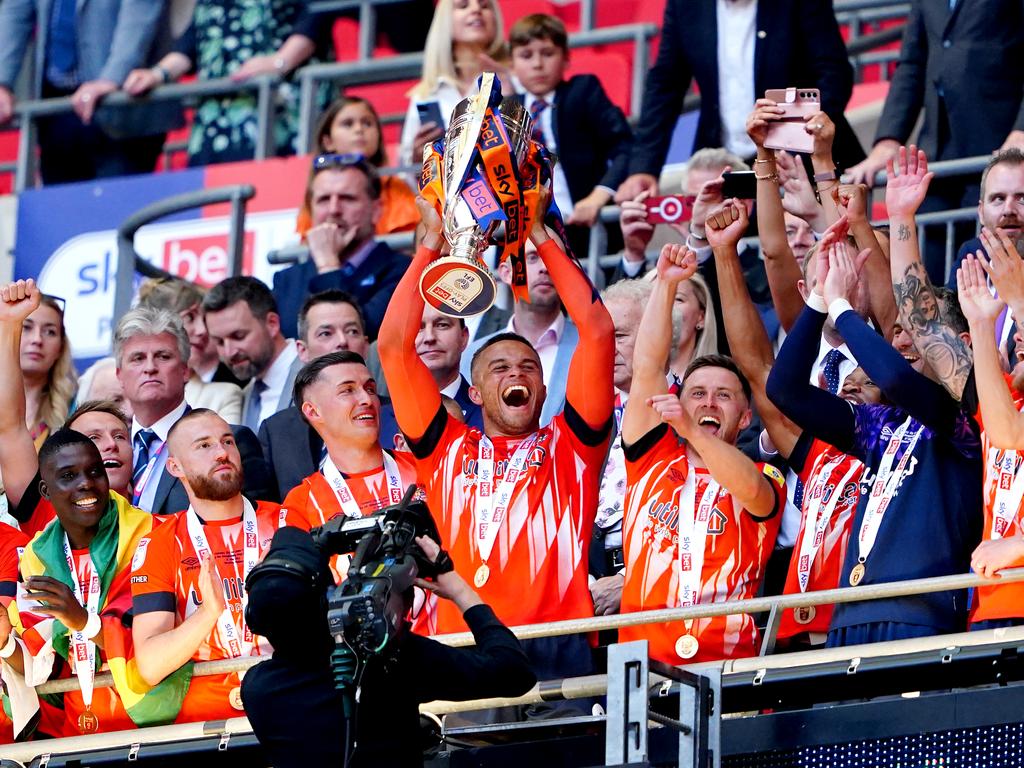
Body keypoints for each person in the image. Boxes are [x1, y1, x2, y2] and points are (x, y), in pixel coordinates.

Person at [378, 195, 613, 686]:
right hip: (465, 643)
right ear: (477, 391)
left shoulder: (571, 447)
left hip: (558, 637)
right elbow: (393, 349)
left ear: (544, 388)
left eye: (528, 367)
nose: (516, 373)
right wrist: (430, 247)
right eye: (500, 368)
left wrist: (539, 235)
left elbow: (595, 330)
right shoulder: (446, 448)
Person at [766, 238, 983, 645]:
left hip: (922, 615)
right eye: (896, 330)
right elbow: (784, 390)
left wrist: (842, 310)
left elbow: (898, 381)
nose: (901, 341)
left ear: (960, 347)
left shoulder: (966, 419)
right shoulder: (878, 425)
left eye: (919, 331)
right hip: (850, 612)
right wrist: (818, 299)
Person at [708, 201, 867, 646]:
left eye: (844, 274)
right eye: (823, 279)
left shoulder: (901, 388)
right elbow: (757, 368)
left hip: (873, 602)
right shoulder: (808, 425)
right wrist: (724, 253)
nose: (836, 288)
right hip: (797, 596)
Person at [242, 526, 535, 767]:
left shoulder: (257, 690)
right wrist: (459, 591)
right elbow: (514, 672)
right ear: (329, 605)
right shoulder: (392, 662)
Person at [619, 241, 784, 665]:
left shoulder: (764, 473)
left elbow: (751, 490)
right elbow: (649, 367)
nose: (709, 403)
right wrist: (667, 286)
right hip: (643, 668)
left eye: (723, 395)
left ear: (746, 418)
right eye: (697, 394)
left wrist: (690, 428)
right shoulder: (649, 460)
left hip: (729, 665)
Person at [2, 430, 169, 738]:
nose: (86, 483)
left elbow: (154, 642)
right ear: (45, 490)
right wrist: (5, 643)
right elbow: (38, 667)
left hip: (154, 725)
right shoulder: (36, 559)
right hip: (79, 727)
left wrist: (82, 621)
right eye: (68, 475)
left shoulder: (151, 536)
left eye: (95, 471)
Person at [615, 0, 863, 203]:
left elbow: (834, 74)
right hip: (726, 167)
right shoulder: (685, 5)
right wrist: (643, 167)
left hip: (801, 165)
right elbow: (664, 85)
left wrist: (792, 142)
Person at [130, 409, 281, 723]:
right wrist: (208, 613)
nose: (222, 453)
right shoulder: (160, 543)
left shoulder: (286, 522)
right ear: (175, 466)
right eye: (204, 446)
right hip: (204, 729)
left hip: (288, 705)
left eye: (228, 441)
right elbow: (151, 665)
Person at [0, 280, 135, 538]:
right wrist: (9, 325)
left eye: (120, 436)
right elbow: (10, 428)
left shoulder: (162, 530)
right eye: (93, 438)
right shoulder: (48, 518)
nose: (110, 444)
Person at [122, 0, 326, 166]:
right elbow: (193, 39)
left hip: (282, 109)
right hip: (218, 118)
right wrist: (158, 74)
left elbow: (314, 16)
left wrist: (280, 61)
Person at [845, 0, 1024, 187]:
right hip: (936, 150)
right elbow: (911, 64)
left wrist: (1021, 131)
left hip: (998, 147)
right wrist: (888, 141)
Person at [0, 0, 179, 184]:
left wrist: (110, 79)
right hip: (56, 111)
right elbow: (16, 11)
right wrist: (2, 83)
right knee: (62, 207)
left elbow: (138, 17)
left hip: (122, 108)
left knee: (118, 207)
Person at [114, 306, 271, 515]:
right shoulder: (108, 449)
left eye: (163, 356)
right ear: (119, 375)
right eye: (138, 358)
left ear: (185, 370)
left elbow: (257, 527)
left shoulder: (232, 442)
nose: (150, 367)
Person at [508, 13, 633, 256]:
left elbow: (625, 147)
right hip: (525, 235)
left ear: (566, 58)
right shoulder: (507, 109)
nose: (537, 64)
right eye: (526, 55)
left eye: (547, 53)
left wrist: (598, 197)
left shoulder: (583, 91)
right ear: (512, 64)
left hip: (582, 225)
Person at [259, 290, 399, 501]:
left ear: (366, 345)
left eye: (352, 331)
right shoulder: (277, 431)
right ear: (302, 350)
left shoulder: (399, 417)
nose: (342, 341)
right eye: (326, 334)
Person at [272, 155, 411, 341]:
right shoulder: (287, 281)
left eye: (347, 198)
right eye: (323, 199)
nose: (333, 209)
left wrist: (328, 265)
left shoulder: (404, 272)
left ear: (376, 210)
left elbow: (357, 336)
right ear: (310, 210)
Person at [280, 351, 419, 531]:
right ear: (313, 412)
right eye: (347, 391)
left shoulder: (423, 469)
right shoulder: (301, 504)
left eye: (370, 389)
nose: (367, 399)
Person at [958, 251, 1024, 629]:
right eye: (1014, 323)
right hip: (990, 606)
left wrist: (1019, 545)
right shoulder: (1007, 403)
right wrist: (981, 324)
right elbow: (1004, 428)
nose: (1017, 333)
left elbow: (1009, 434)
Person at [463, 240, 579, 427]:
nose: (545, 267)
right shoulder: (471, 356)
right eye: (533, 258)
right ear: (506, 272)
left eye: (553, 257)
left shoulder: (590, 348)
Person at [590, 278, 651, 616]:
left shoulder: (690, 410)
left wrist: (631, 579)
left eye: (621, 336)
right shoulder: (589, 417)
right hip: (592, 592)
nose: (608, 347)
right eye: (604, 337)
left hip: (658, 591)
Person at [399, 0, 513, 167]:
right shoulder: (425, 95)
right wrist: (418, 161)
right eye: (463, 6)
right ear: (445, 22)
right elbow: (406, 174)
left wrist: (510, 95)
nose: (476, 9)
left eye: (484, 5)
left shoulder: (515, 80)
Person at [295, 96, 419, 239]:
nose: (359, 129)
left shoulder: (397, 188)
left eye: (367, 123)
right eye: (348, 124)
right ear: (328, 141)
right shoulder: (317, 195)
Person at [137, 278, 244, 423]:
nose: (203, 330)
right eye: (190, 317)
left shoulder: (228, 392)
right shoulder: (130, 395)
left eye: (204, 320)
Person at [203, 277, 302, 433]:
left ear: (272, 324)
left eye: (239, 336)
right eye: (219, 342)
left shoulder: (316, 374)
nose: (229, 352)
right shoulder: (244, 395)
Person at [20, 294, 76, 450]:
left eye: (50, 332)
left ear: (60, 348)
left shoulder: (74, 409)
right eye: (26, 327)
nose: (37, 339)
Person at [416, 306, 482, 429]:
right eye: (418, 327)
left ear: (463, 337)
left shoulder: (491, 416)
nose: (430, 337)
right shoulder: (381, 419)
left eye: (442, 325)